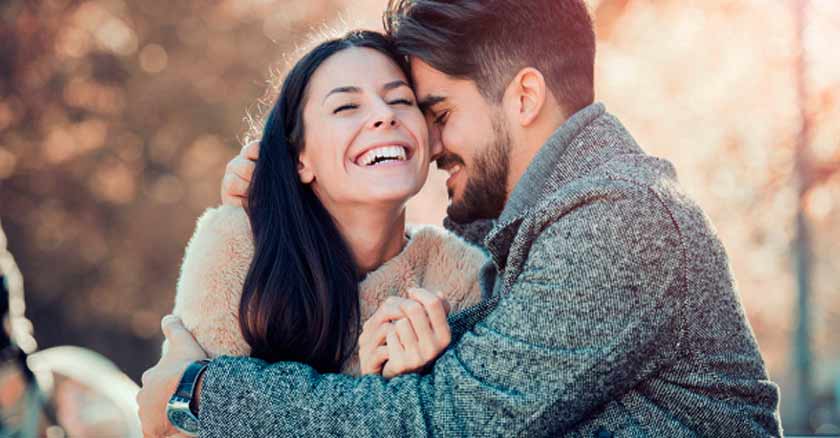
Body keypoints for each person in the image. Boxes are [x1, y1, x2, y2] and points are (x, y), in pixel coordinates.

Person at [138, 0, 783, 436]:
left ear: (524, 96)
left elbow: (452, 419)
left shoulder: (619, 220)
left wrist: (203, 393)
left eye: (436, 111)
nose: (432, 140)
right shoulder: (543, 230)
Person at [168, 30, 486, 378]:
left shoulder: (462, 279)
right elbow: (188, 424)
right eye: (347, 106)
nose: (384, 115)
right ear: (301, 159)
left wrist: (410, 388)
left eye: (401, 100)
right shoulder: (238, 248)